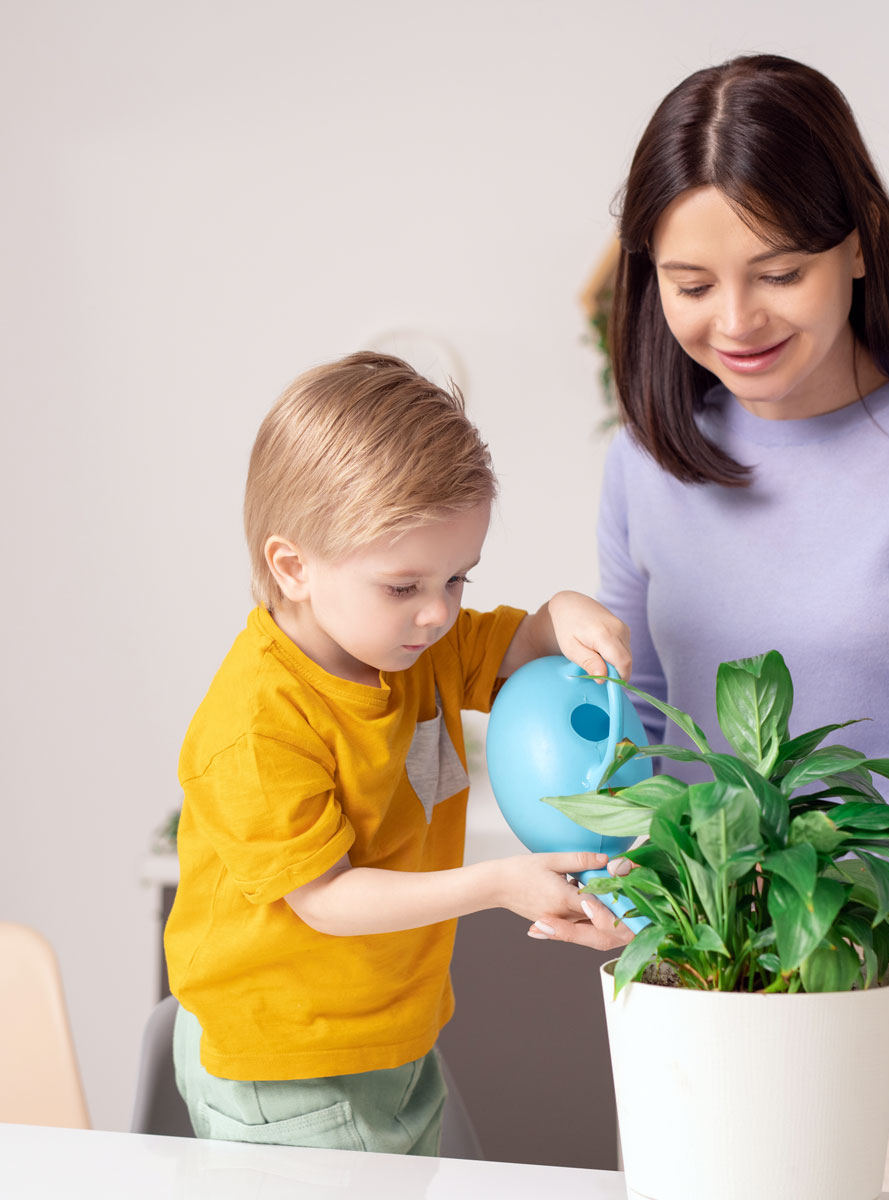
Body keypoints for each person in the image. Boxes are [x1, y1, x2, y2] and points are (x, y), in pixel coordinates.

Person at [536, 55, 889, 1200]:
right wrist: (630, 878)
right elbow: (641, 734)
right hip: (701, 982)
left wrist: (777, 875)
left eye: (777, 272)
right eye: (689, 284)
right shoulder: (645, 463)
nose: (734, 322)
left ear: (860, 243)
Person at [163, 351, 633, 1155]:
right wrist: (496, 884)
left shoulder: (421, 649)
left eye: (459, 580)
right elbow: (325, 900)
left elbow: (521, 643)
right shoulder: (258, 723)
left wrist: (565, 613)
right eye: (404, 586)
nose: (438, 614)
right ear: (293, 565)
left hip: (389, 1031)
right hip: (287, 1059)